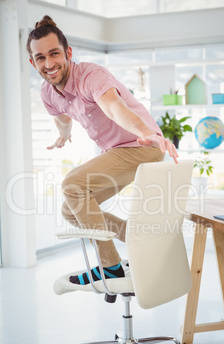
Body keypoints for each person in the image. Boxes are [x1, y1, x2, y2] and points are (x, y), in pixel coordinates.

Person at [27, 15, 178, 285]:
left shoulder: (90, 75)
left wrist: (145, 133)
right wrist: (64, 135)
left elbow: (113, 107)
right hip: (115, 151)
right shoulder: (47, 93)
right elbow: (62, 117)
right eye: (40, 58)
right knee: (70, 210)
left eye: (54, 54)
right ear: (32, 62)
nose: (49, 64)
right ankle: (137, 237)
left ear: (68, 53)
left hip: (140, 145)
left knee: (72, 185)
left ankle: (110, 266)